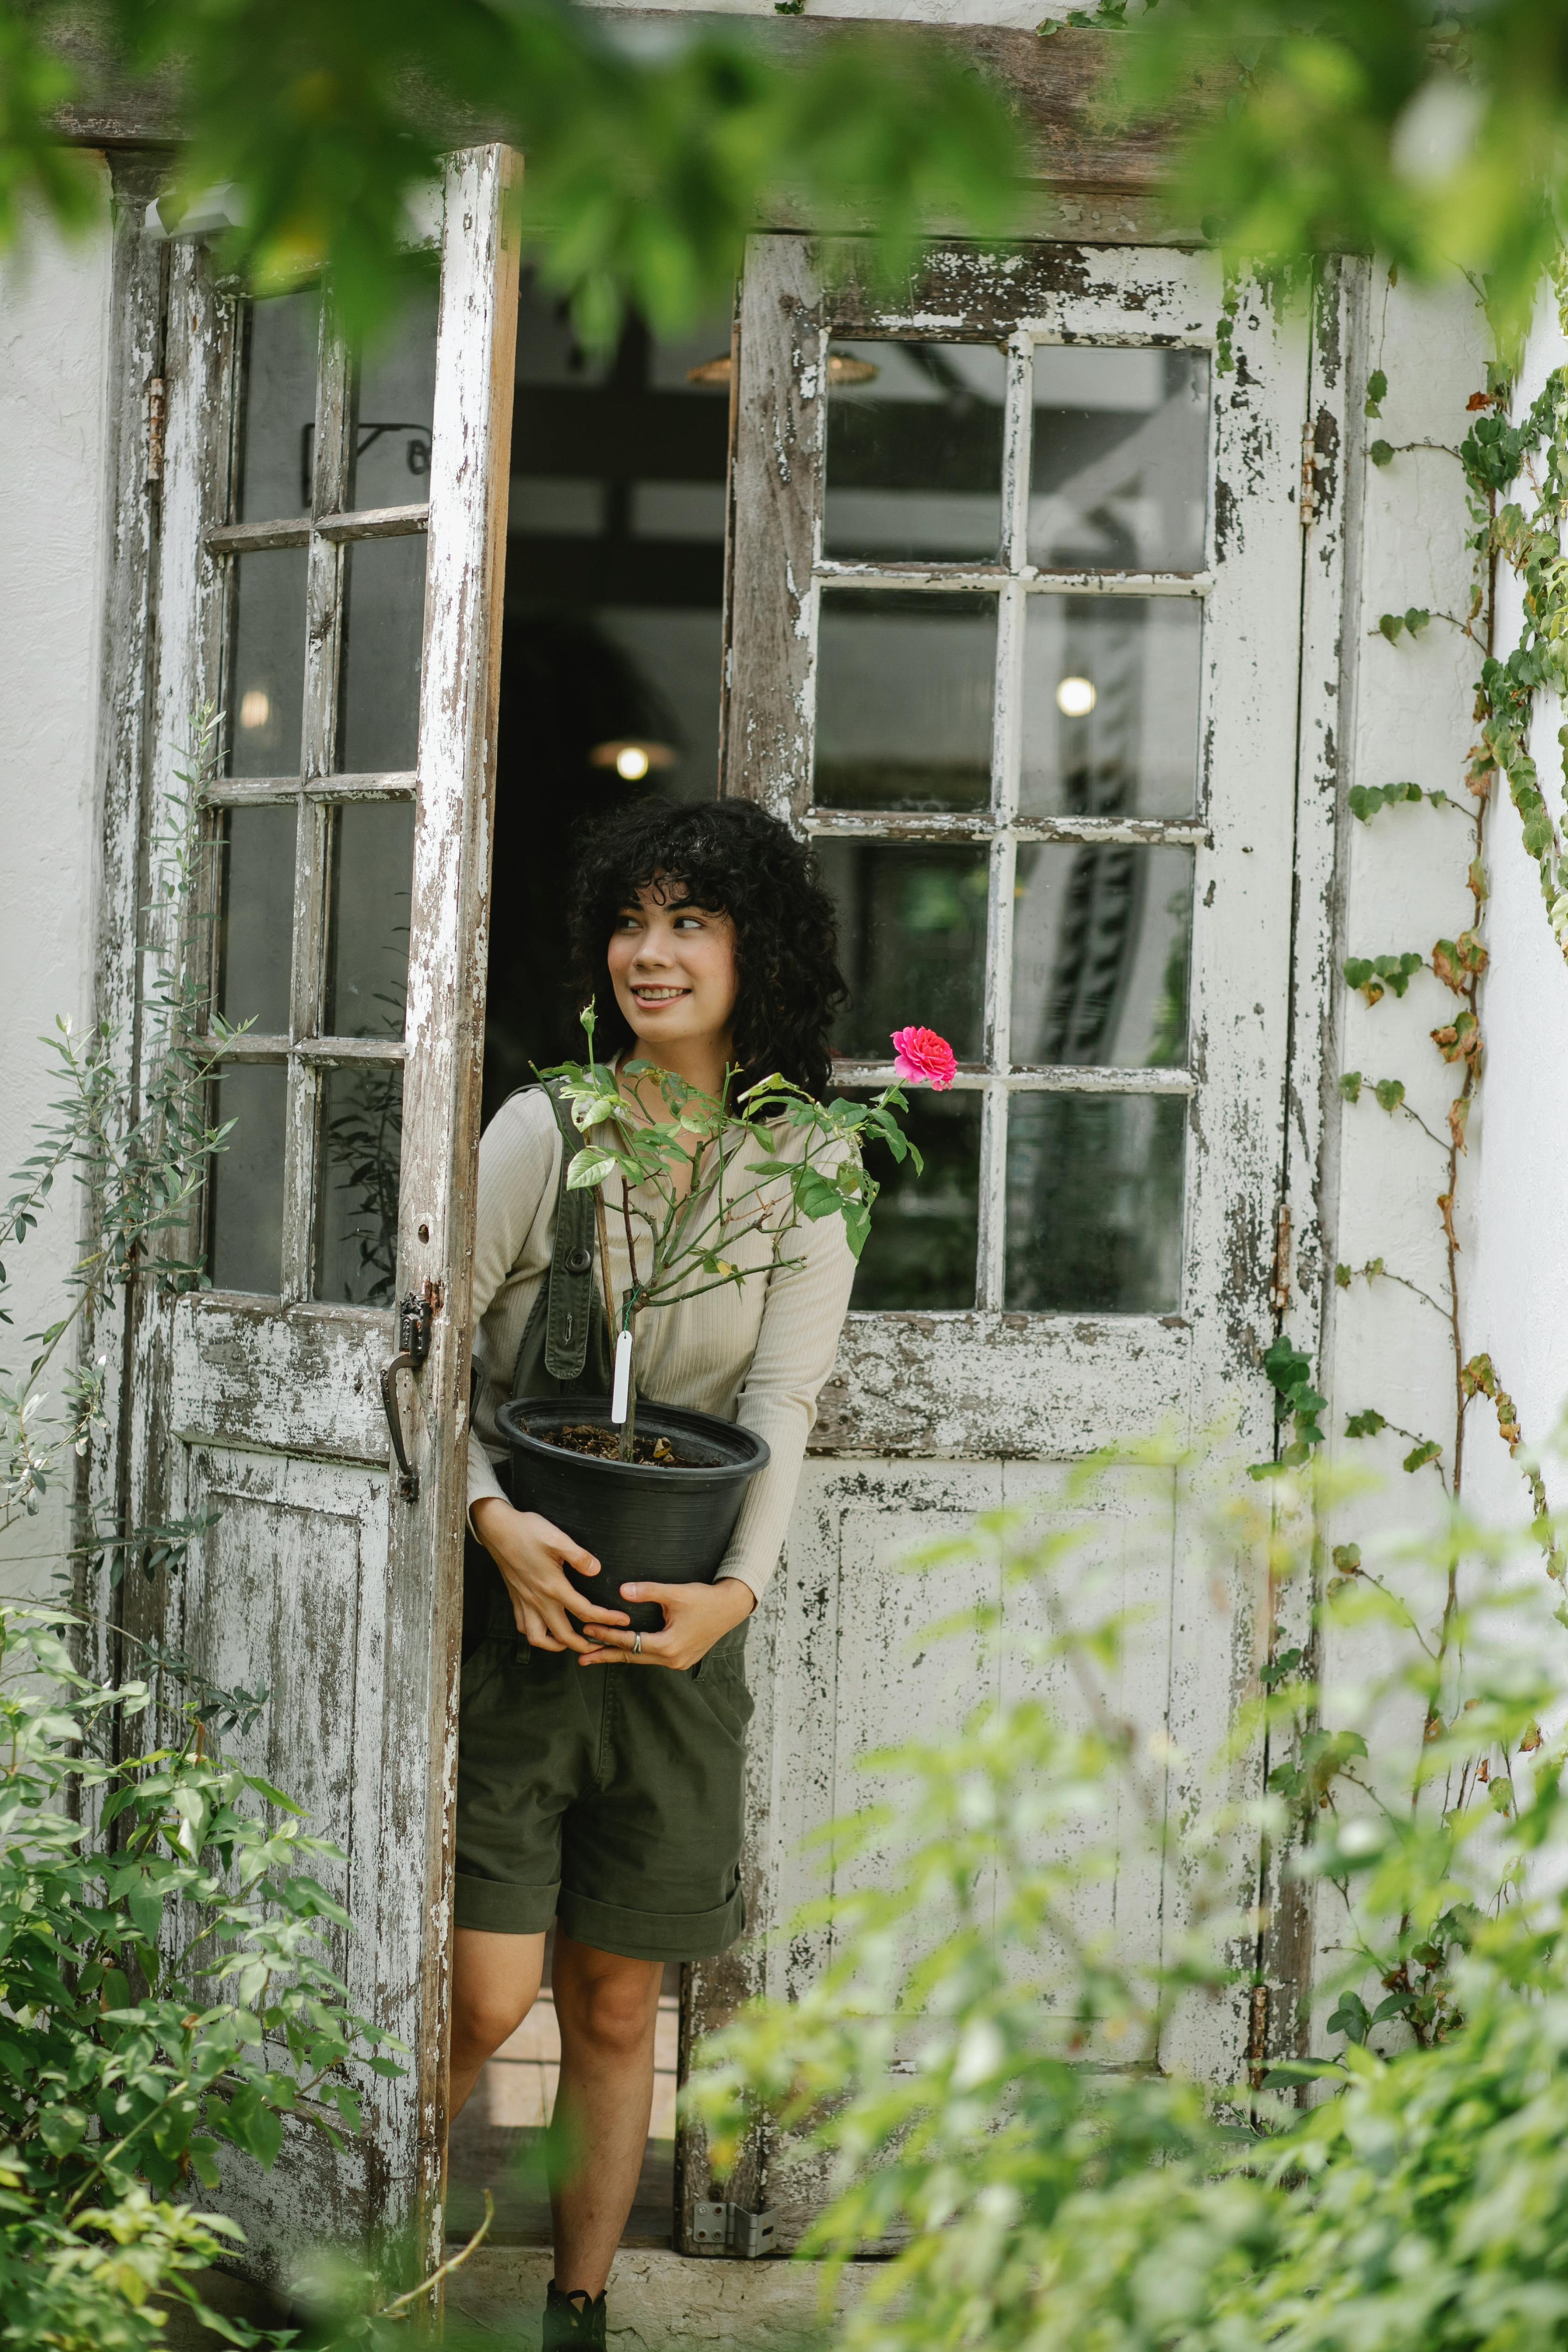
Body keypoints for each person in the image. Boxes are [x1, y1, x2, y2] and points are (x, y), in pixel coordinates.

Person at [450, 798, 856, 2351]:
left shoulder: (811, 1166)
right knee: (487, 1996)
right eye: (634, 919)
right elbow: (427, 1374)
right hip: (518, 1625)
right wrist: (493, 1520)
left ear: (761, 951)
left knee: (623, 2006)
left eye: (691, 922)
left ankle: (577, 2309)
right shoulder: (546, 1131)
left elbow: (781, 1405)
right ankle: (359, 2247)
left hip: (683, 1639)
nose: (651, 953)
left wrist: (731, 1602)